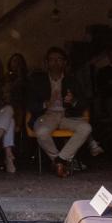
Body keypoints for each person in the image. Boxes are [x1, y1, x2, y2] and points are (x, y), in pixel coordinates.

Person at [27, 46, 99, 178]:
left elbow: (84, 103)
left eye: (59, 59)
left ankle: (60, 161)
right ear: (47, 63)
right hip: (47, 115)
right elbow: (29, 103)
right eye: (52, 60)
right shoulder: (38, 80)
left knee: (86, 128)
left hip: (67, 116)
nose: (55, 63)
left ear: (65, 62)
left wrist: (73, 101)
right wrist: (45, 104)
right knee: (41, 132)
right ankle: (60, 161)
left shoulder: (72, 80)